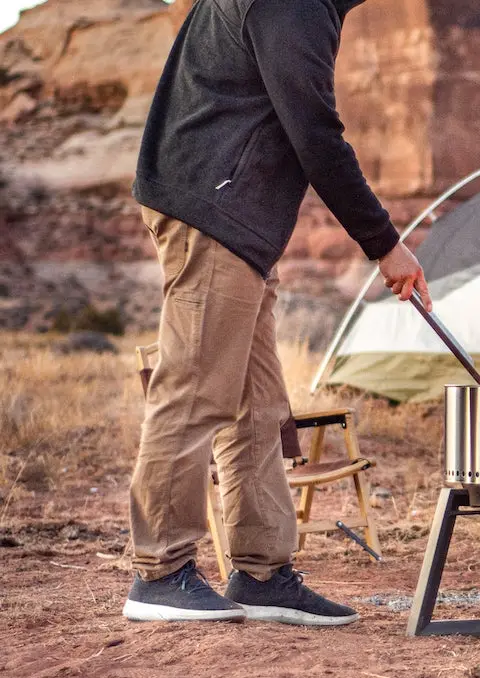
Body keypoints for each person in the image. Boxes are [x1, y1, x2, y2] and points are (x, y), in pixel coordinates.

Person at [122, 0, 429, 625]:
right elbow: (314, 132)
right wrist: (383, 243)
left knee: (257, 407)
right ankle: (158, 572)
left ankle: (262, 572)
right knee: (196, 389)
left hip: (236, 223)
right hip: (214, 212)